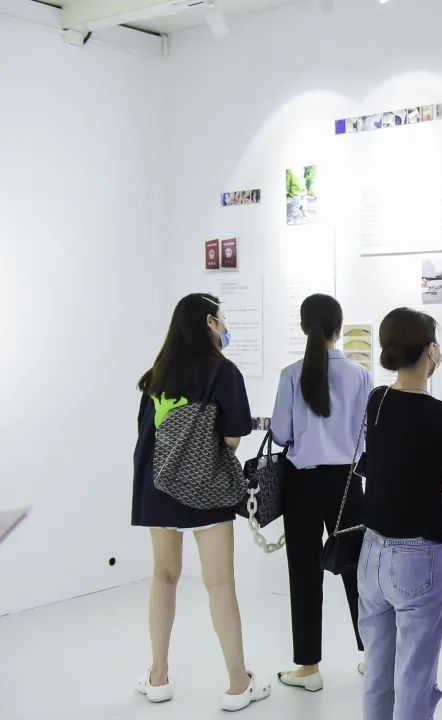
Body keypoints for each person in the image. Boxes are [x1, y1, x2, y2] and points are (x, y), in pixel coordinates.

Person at [131, 294, 271, 712]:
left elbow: (146, 434)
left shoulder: (156, 374)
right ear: (209, 322)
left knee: (163, 576)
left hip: (157, 487)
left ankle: (158, 677)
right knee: (220, 583)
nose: (225, 326)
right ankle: (237, 684)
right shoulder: (222, 371)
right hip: (205, 488)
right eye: (222, 319)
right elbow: (232, 437)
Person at [357, 308, 442, 720]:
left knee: (377, 674)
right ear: (430, 351)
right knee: (415, 678)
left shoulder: (377, 400)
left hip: (371, 554)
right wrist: (434, 476)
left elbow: (386, 461)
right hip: (418, 559)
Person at [271, 294, 372, 692]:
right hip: (348, 483)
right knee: (358, 571)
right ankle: (373, 656)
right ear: (338, 327)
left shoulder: (290, 375)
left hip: (301, 484)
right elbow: (366, 436)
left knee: (303, 574)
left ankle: (309, 668)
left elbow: (281, 434)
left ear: (303, 327)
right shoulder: (360, 376)